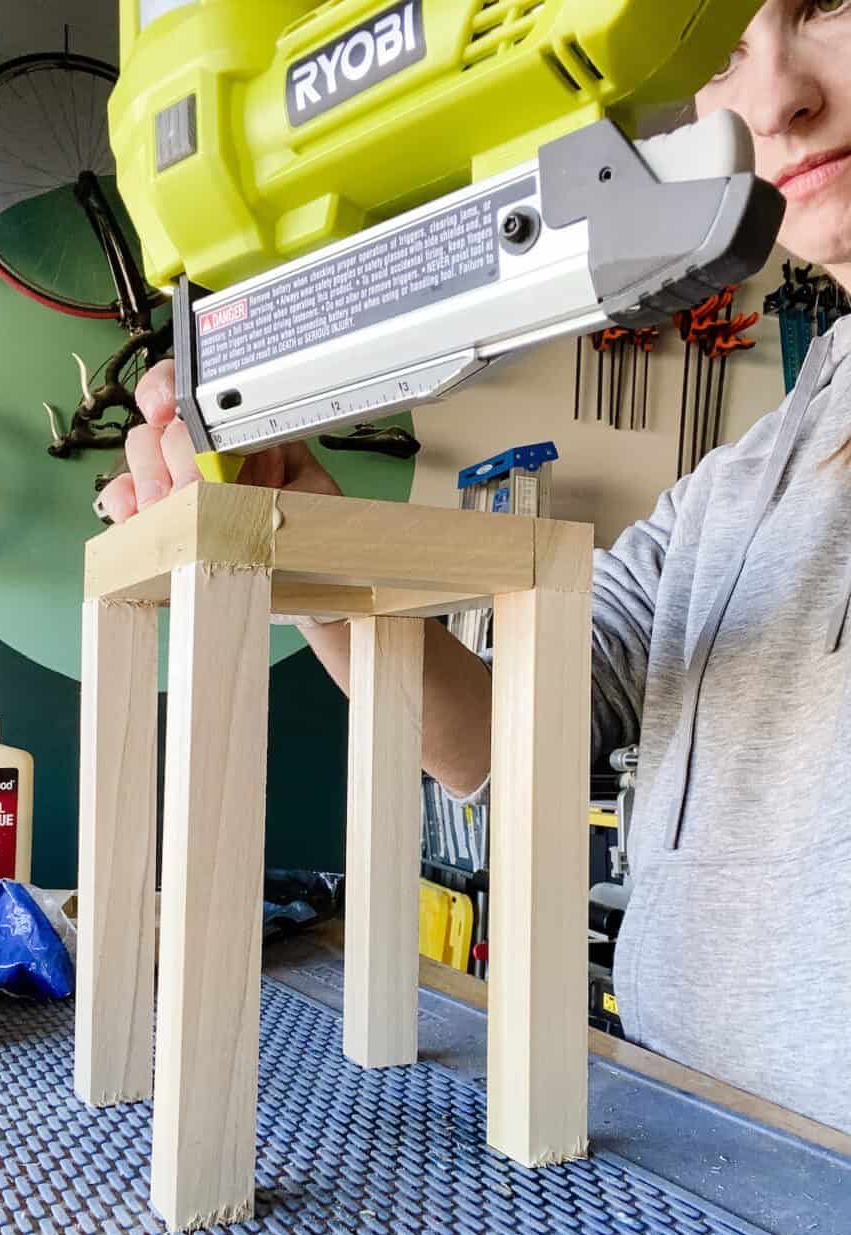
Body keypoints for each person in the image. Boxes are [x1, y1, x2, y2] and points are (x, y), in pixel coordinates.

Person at [100, 0, 851, 1132]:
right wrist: (304, 538)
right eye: (723, 46)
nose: (777, 94)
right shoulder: (733, 485)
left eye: (825, 4)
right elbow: (503, 735)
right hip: (682, 1140)